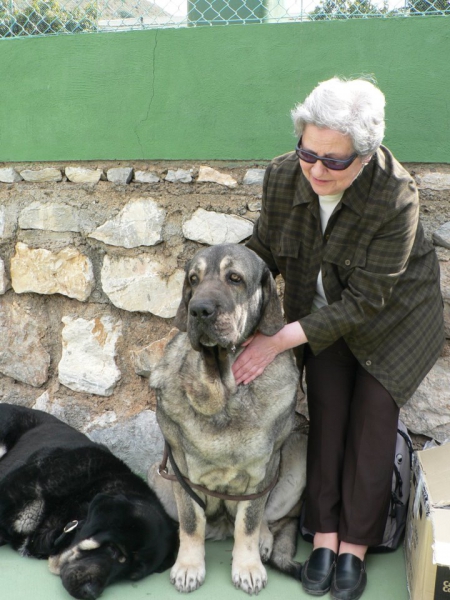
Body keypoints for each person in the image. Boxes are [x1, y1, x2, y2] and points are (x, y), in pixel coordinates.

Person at [232, 77, 444, 600]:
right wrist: (222, 274)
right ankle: (324, 536)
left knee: (372, 420)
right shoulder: (285, 176)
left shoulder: (395, 194)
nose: (316, 169)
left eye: (334, 160)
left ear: (365, 156)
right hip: (323, 313)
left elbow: (370, 300)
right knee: (326, 411)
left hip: (394, 318)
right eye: (309, 152)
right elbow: (266, 245)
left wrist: (275, 341)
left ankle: (355, 546)